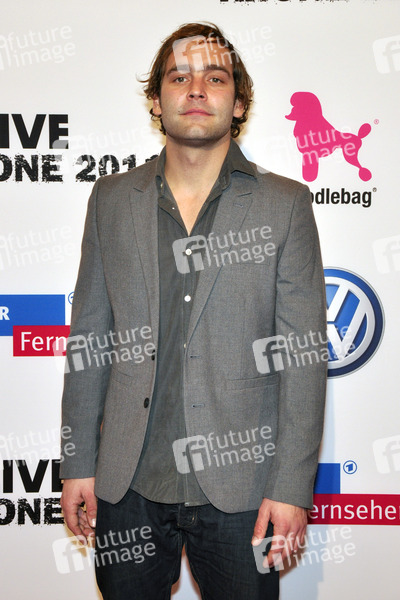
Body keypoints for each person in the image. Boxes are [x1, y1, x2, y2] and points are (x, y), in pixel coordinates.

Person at [60, 22, 327, 600]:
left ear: (239, 103)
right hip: (127, 484)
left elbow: (302, 359)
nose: (197, 89)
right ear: (157, 100)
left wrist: (291, 487)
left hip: (243, 490)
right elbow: (90, 339)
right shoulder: (111, 199)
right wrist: (77, 461)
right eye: (179, 78)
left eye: (216, 78)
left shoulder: (284, 204)